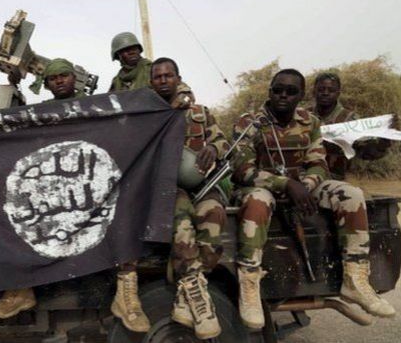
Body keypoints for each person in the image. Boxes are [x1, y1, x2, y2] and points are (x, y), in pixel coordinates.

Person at [231, 69, 396, 329]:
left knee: (351, 194)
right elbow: (243, 170)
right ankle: (250, 285)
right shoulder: (250, 122)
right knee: (257, 201)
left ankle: (354, 278)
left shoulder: (310, 122)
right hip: (262, 186)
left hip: (303, 186)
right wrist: (287, 184)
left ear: (301, 95)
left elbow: (318, 164)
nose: (283, 95)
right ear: (269, 91)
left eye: (291, 91)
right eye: (278, 90)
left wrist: (306, 185)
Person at [0, 58, 86, 320]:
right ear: (47, 83)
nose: (60, 81)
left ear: (74, 78)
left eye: (64, 75)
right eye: (54, 78)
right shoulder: (41, 112)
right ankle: (20, 290)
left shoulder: (92, 105)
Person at [150, 57, 229, 339]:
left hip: (203, 185)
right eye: (157, 77)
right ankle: (199, 298)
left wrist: (214, 150)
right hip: (169, 188)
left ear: (177, 77)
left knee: (214, 216)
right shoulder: (146, 117)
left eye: (168, 75)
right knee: (181, 221)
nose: (163, 80)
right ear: (151, 82)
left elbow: (221, 139)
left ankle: (186, 291)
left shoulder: (199, 112)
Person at [308, 72, 391, 180]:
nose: (325, 93)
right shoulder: (304, 116)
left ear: (338, 93)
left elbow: (364, 152)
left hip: (334, 179)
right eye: (321, 89)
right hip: (303, 177)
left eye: (331, 90)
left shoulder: (350, 120)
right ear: (314, 91)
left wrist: (381, 145)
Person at [109, 32, 195, 109]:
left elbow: (184, 91)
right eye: (126, 50)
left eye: (134, 48)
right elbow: (108, 103)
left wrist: (184, 98)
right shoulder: (117, 81)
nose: (132, 52)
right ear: (118, 56)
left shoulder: (153, 70)